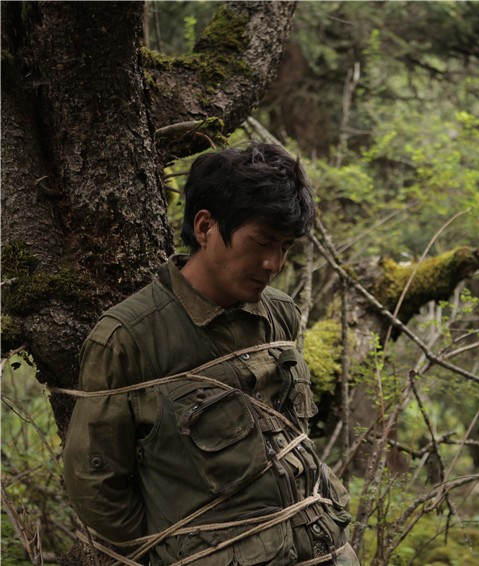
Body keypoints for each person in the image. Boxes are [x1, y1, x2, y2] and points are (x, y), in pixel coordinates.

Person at [63, 143, 359, 565]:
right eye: (261, 242)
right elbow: (95, 487)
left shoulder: (279, 314)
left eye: (285, 247)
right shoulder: (128, 338)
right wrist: (185, 549)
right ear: (205, 227)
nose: (273, 263)